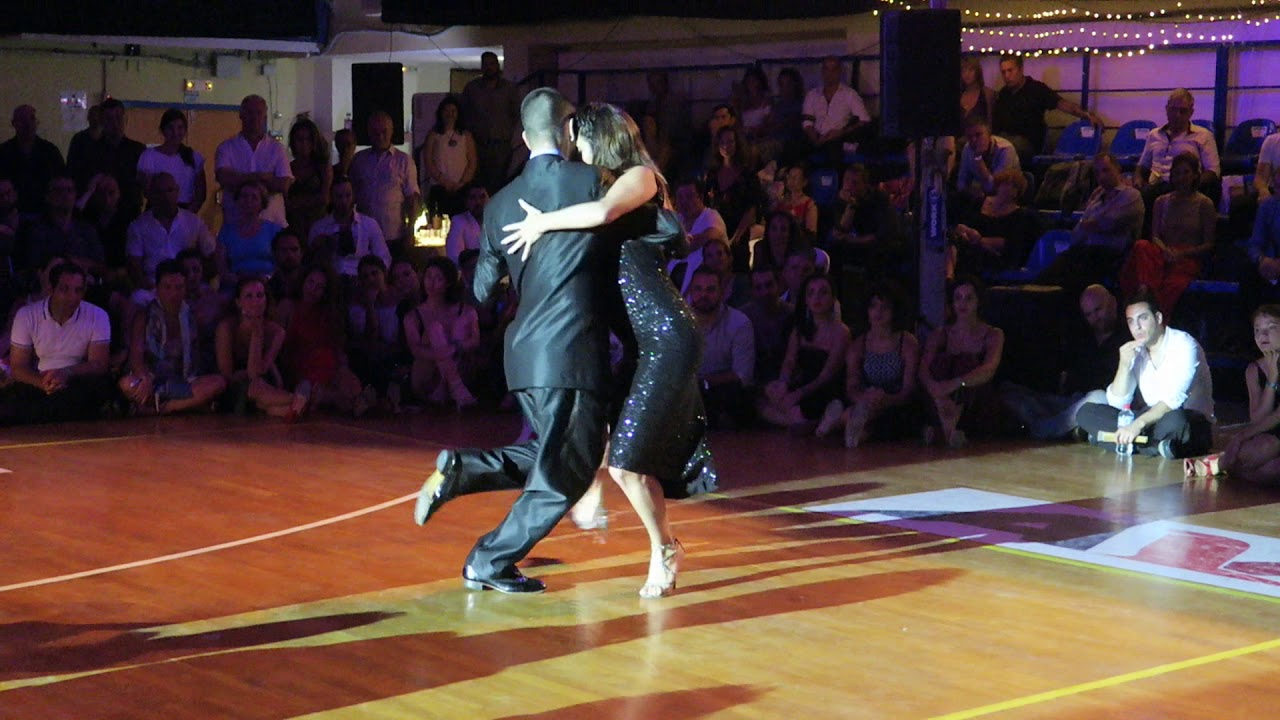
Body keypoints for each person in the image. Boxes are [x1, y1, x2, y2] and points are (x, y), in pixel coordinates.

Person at [495, 100, 719, 598]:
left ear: (602, 138)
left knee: (626, 462)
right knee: (597, 427)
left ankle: (665, 549)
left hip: (666, 334)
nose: (575, 149)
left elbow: (601, 214)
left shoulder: (641, 178)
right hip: (641, 342)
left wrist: (541, 223)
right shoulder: (602, 185)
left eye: (580, 140)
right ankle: (597, 493)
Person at [411, 89, 610, 595]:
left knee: (557, 453)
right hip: (568, 350)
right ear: (569, 130)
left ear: (523, 137)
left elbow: (480, 292)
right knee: (565, 475)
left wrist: (518, 267)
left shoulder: (499, 203)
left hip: (523, 353)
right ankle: (489, 560)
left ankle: (464, 470)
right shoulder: (590, 180)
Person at [1076, 286, 1214, 458]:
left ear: (1158, 318)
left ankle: (1113, 440)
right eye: (1131, 321)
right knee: (1085, 412)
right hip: (1149, 420)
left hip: (1185, 419)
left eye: (1143, 318)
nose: (1137, 327)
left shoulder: (1184, 345)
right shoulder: (1137, 350)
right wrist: (1124, 365)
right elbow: (1117, 403)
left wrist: (1137, 425)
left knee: (1177, 420)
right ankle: (1160, 446)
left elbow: (1173, 401)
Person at [999, 284, 1122, 440]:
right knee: (1009, 391)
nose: (1095, 318)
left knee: (1098, 397)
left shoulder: (1126, 337)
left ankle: (1045, 429)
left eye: (1098, 310)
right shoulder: (1082, 337)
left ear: (1113, 303)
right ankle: (1062, 427)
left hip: (1101, 404)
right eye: (1088, 314)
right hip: (1070, 403)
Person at [0, 260, 115, 425]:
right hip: (39, 381)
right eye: (64, 289)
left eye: (78, 290)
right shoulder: (26, 315)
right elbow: (18, 366)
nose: (72, 297)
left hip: (77, 380)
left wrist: (66, 373)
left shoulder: (97, 316)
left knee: (90, 391)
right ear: (51, 289)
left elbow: (99, 363)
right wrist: (44, 383)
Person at [817, 282, 920, 447]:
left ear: (895, 311)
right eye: (873, 306)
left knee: (895, 420)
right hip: (864, 401)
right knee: (862, 413)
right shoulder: (858, 345)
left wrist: (887, 400)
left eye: (885, 307)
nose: (878, 312)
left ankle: (839, 422)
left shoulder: (907, 343)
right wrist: (865, 399)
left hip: (896, 404)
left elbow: (909, 389)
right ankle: (847, 422)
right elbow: (851, 385)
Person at [117, 260, 226, 415]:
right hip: (154, 384)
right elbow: (136, 357)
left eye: (179, 287)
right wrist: (144, 379)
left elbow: (196, 361)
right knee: (127, 384)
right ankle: (190, 404)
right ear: (157, 288)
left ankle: (164, 408)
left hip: (184, 383)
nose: (173, 294)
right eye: (167, 287)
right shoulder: (144, 316)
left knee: (218, 382)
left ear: (185, 287)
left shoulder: (193, 316)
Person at [1119, 151, 1217, 316]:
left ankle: (1157, 314)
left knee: (1172, 283)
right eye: (1177, 173)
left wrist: (1181, 253)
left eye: (1186, 172)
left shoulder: (1204, 204)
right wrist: (1165, 250)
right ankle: (1145, 292)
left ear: (1195, 175)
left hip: (1187, 258)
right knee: (1141, 246)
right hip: (1162, 253)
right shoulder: (1161, 202)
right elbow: (1155, 236)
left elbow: (1209, 244)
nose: (1181, 177)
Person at [919, 275, 1005, 448]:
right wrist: (936, 390)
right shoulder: (940, 334)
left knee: (966, 363)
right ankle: (947, 427)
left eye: (968, 298)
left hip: (974, 399)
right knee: (941, 364)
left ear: (978, 301)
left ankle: (948, 428)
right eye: (958, 298)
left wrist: (956, 383)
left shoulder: (993, 334)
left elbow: (989, 369)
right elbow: (923, 369)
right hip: (940, 398)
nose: (962, 303)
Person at [759, 273, 851, 431]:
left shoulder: (841, 332)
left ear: (833, 298)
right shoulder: (800, 328)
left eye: (823, 292)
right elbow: (789, 361)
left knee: (800, 407)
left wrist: (798, 394)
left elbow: (827, 375)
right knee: (763, 396)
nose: (817, 298)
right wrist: (783, 383)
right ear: (806, 299)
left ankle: (808, 421)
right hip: (802, 382)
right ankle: (808, 422)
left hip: (824, 386)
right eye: (811, 293)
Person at [276, 264, 367, 416]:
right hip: (300, 366)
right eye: (310, 282)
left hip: (330, 365)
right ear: (303, 281)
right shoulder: (287, 306)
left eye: (319, 287)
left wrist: (344, 368)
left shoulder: (330, 313)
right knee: (315, 390)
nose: (313, 289)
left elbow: (337, 346)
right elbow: (278, 345)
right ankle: (329, 399)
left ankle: (331, 398)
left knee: (352, 385)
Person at [215, 275, 309, 421]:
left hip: (263, 380)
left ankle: (291, 407)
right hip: (236, 386)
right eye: (249, 296)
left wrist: (257, 333)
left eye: (260, 295)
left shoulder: (277, 332)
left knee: (260, 387)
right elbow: (227, 374)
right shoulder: (226, 328)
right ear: (238, 302)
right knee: (255, 389)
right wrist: (255, 332)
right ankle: (298, 401)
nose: (256, 301)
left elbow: (258, 372)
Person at [992, 54, 1101, 165]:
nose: (1007, 76)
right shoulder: (1003, 94)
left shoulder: (1036, 89)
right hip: (1006, 140)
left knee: (1008, 147)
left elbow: (1062, 104)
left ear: (1020, 69)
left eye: (1010, 70)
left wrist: (1086, 115)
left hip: (1028, 143)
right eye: (1003, 72)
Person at [126, 172, 215, 304]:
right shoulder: (138, 226)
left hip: (189, 285)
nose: (165, 196)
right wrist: (151, 286)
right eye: (159, 192)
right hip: (155, 287)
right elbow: (134, 266)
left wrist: (199, 279)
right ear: (150, 195)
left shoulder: (193, 221)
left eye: (170, 190)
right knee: (138, 298)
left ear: (177, 191)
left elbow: (211, 253)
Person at [1134, 88, 1222, 222]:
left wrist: (1191, 185)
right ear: (1166, 110)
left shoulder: (1203, 136)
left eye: (1183, 111)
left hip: (1185, 185)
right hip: (1155, 185)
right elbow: (1142, 165)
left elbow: (1213, 171)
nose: (1177, 115)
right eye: (1173, 110)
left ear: (1191, 112)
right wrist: (1138, 179)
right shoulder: (1154, 135)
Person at [403, 255, 479, 408]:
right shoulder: (413, 316)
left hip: (461, 368)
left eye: (438, 278)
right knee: (435, 330)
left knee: (457, 328)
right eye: (428, 277)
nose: (431, 283)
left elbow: (475, 341)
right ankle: (455, 387)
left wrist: (455, 348)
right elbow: (416, 350)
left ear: (448, 282)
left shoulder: (466, 311)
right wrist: (445, 353)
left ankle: (450, 385)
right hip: (427, 375)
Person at [688, 265, 755, 429]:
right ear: (690, 291)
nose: (703, 295)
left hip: (720, 393)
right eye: (698, 289)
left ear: (722, 292)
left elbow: (743, 375)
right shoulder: (678, 323)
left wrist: (703, 382)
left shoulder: (739, 323)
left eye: (710, 290)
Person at [214, 95, 293, 228]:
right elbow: (225, 179)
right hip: (236, 225)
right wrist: (263, 177)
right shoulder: (226, 147)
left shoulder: (277, 148)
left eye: (258, 113)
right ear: (241, 115)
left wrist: (240, 179)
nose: (254, 117)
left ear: (265, 116)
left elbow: (283, 185)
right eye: (250, 112)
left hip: (272, 225)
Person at [1222, 305, 1280, 484]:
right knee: (1264, 448)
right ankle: (1230, 467)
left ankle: (1227, 468)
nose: (1263, 335)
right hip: (1267, 433)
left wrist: (1242, 436)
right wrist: (1272, 380)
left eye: (1271, 328)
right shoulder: (1254, 369)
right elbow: (1257, 418)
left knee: (1272, 468)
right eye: (1257, 330)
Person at [350, 111, 421, 256]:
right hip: (364, 235)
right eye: (375, 132)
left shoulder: (404, 161)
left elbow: (412, 199)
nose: (380, 136)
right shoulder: (358, 160)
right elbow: (350, 196)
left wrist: (410, 231)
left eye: (384, 131)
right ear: (369, 133)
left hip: (393, 235)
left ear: (391, 131)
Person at [951, 168, 1039, 277]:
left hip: (994, 255)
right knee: (950, 240)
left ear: (1018, 193)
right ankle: (949, 278)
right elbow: (963, 224)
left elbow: (1009, 244)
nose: (1008, 188)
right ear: (998, 185)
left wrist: (979, 240)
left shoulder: (1020, 215)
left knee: (968, 253)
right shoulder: (978, 203)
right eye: (1005, 184)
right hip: (967, 243)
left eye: (1014, 187)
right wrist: (966, 230)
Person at [461, 51, 522, 193]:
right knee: (478, 184)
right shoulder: (472, 88)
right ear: (482, 67)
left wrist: (508, 132)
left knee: (500, 182)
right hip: (477, 144)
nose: (489, 67)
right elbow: (464, 113)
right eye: (486, 64)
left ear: (497, 65)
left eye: (492, 64)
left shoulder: (509, 89)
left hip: (501, 144)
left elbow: (516, 113)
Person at [705, 124, 763, 272]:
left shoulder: (748, 174)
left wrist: (735, 239)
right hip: (716, 234)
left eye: (730, 141)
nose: (726, 146)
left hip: (738, 236)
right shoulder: (712, 174)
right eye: (722, 142)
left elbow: (751, 210)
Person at [308, 176, 390, 279]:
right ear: (331, 198)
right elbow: (310, 262)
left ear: (353, 196)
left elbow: (383, 257)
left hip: (361, 280)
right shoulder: (319, 227)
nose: (344, 201)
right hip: (332, 280)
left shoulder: (369, 224)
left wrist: (374, 277)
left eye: (348, 195)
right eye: (339, 196)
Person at [802, 56, 871, 163]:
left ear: (839, 72)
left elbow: (864, 120)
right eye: (826, 69)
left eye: (833, 70)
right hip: (814, 138)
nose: (830, 74)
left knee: (835, 149)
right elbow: (807, 122)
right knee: (794, 145)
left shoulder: (850, 95)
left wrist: (841, 132)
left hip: (838, 139)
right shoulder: (812, 95)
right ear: (822, 72)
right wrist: (815, 139)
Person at [136, 108, 206, 214]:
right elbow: (147, 191)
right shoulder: (149, 156)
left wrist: (186, 216)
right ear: (162, 130)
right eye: (170, 128)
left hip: (185, 212)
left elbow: (200, 195)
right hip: (157, 212)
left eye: (180, 127)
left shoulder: (194, 157)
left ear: (185, 130)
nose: (175, 132)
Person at [0, 104, 66, 216]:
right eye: (23, 120)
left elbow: (62, 182)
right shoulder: (3, 152)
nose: (28, 124)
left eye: (31, 119)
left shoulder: (50, 151)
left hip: (46, 213)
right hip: (11, 213)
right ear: (14, 123)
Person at [422, 95, 478, 219]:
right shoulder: (433, 135)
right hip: (439, 188)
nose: (450, 114)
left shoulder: (466, 135)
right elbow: (428, 162)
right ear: (441, 113)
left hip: (462, 189)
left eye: (453, 111)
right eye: (446, 111)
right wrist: (444, 181)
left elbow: (472, 161)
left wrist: (462, 183)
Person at [216, 181, 280, 284]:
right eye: (244, 196)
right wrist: (236, 280)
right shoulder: (226, 231)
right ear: (237, 201)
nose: (248, 201)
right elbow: (221, 267)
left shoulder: (274, 230)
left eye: (254, 197)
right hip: (236, 284)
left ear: (262, 203)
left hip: (268, 284)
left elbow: (281, 263)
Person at [740, 265, 793, 386]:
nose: (765, 292)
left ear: (779, 286)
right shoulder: (742, 318)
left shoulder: (793, 314)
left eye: (769, 285)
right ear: (751, 291)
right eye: (758, 287)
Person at [284, 118, 333, 243]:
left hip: (318, 224)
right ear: (293, 142)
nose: (304, 143)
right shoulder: (288, 167)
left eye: (308, 139)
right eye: (300, 139)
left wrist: (296, 203)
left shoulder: (322, 167)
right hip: (294, 225)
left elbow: (325, 198)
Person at [443, 184, 488, 262]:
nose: (478, 202)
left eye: (482, 197)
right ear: (466, 202)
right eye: (473, 198)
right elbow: (454, 256)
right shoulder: (459, 221)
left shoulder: (496, 220)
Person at [959, 56, 996, 128]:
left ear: (977, 72)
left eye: (970, 70)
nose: (967, 74)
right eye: (963, 71)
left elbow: (991, 122)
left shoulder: (987, 94)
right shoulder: (959, 94)